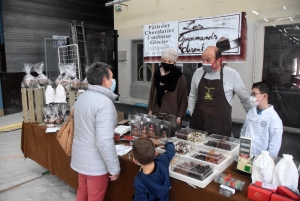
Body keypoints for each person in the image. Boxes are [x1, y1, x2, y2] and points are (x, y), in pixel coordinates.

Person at [71, 62, 120, 201]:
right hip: (95, 164)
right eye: (111, 78)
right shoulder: (104, 103)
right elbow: (104, 141)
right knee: (94, 197)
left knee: (82, 192)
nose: (113, 81)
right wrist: (114, 169)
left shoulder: (82, 97)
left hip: (81, 159)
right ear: (105, 81)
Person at [188, 46, 252, 136]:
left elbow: (245, 99)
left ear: (219, 60)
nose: (204, 63)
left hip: (220, 127)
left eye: (208, 60)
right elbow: (193, 95)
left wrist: (253, 118)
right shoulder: (198, 73)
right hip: (198, 125)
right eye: (203, 60)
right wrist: (192, 113)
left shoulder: (232, 75)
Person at [148, 48, 188, 136]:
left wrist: (180, 116)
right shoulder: (157, 74)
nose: (166, 63)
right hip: (156, 114)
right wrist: (150, 109)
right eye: (164, 60)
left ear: (174, 63)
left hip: (172, 117)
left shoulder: (180, 77)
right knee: (156, 139)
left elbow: (183, 99)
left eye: (170, 61)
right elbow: (152, 93)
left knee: (170, 142)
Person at [240, 81, 283, 156]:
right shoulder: (251, 112)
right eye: (251, 94)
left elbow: (274, 147)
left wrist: (266, 161)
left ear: (265, 96)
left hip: (261, 160)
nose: (251, 97)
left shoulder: (274, 119)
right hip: (245, 155)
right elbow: (244, 131)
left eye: (254, 94)